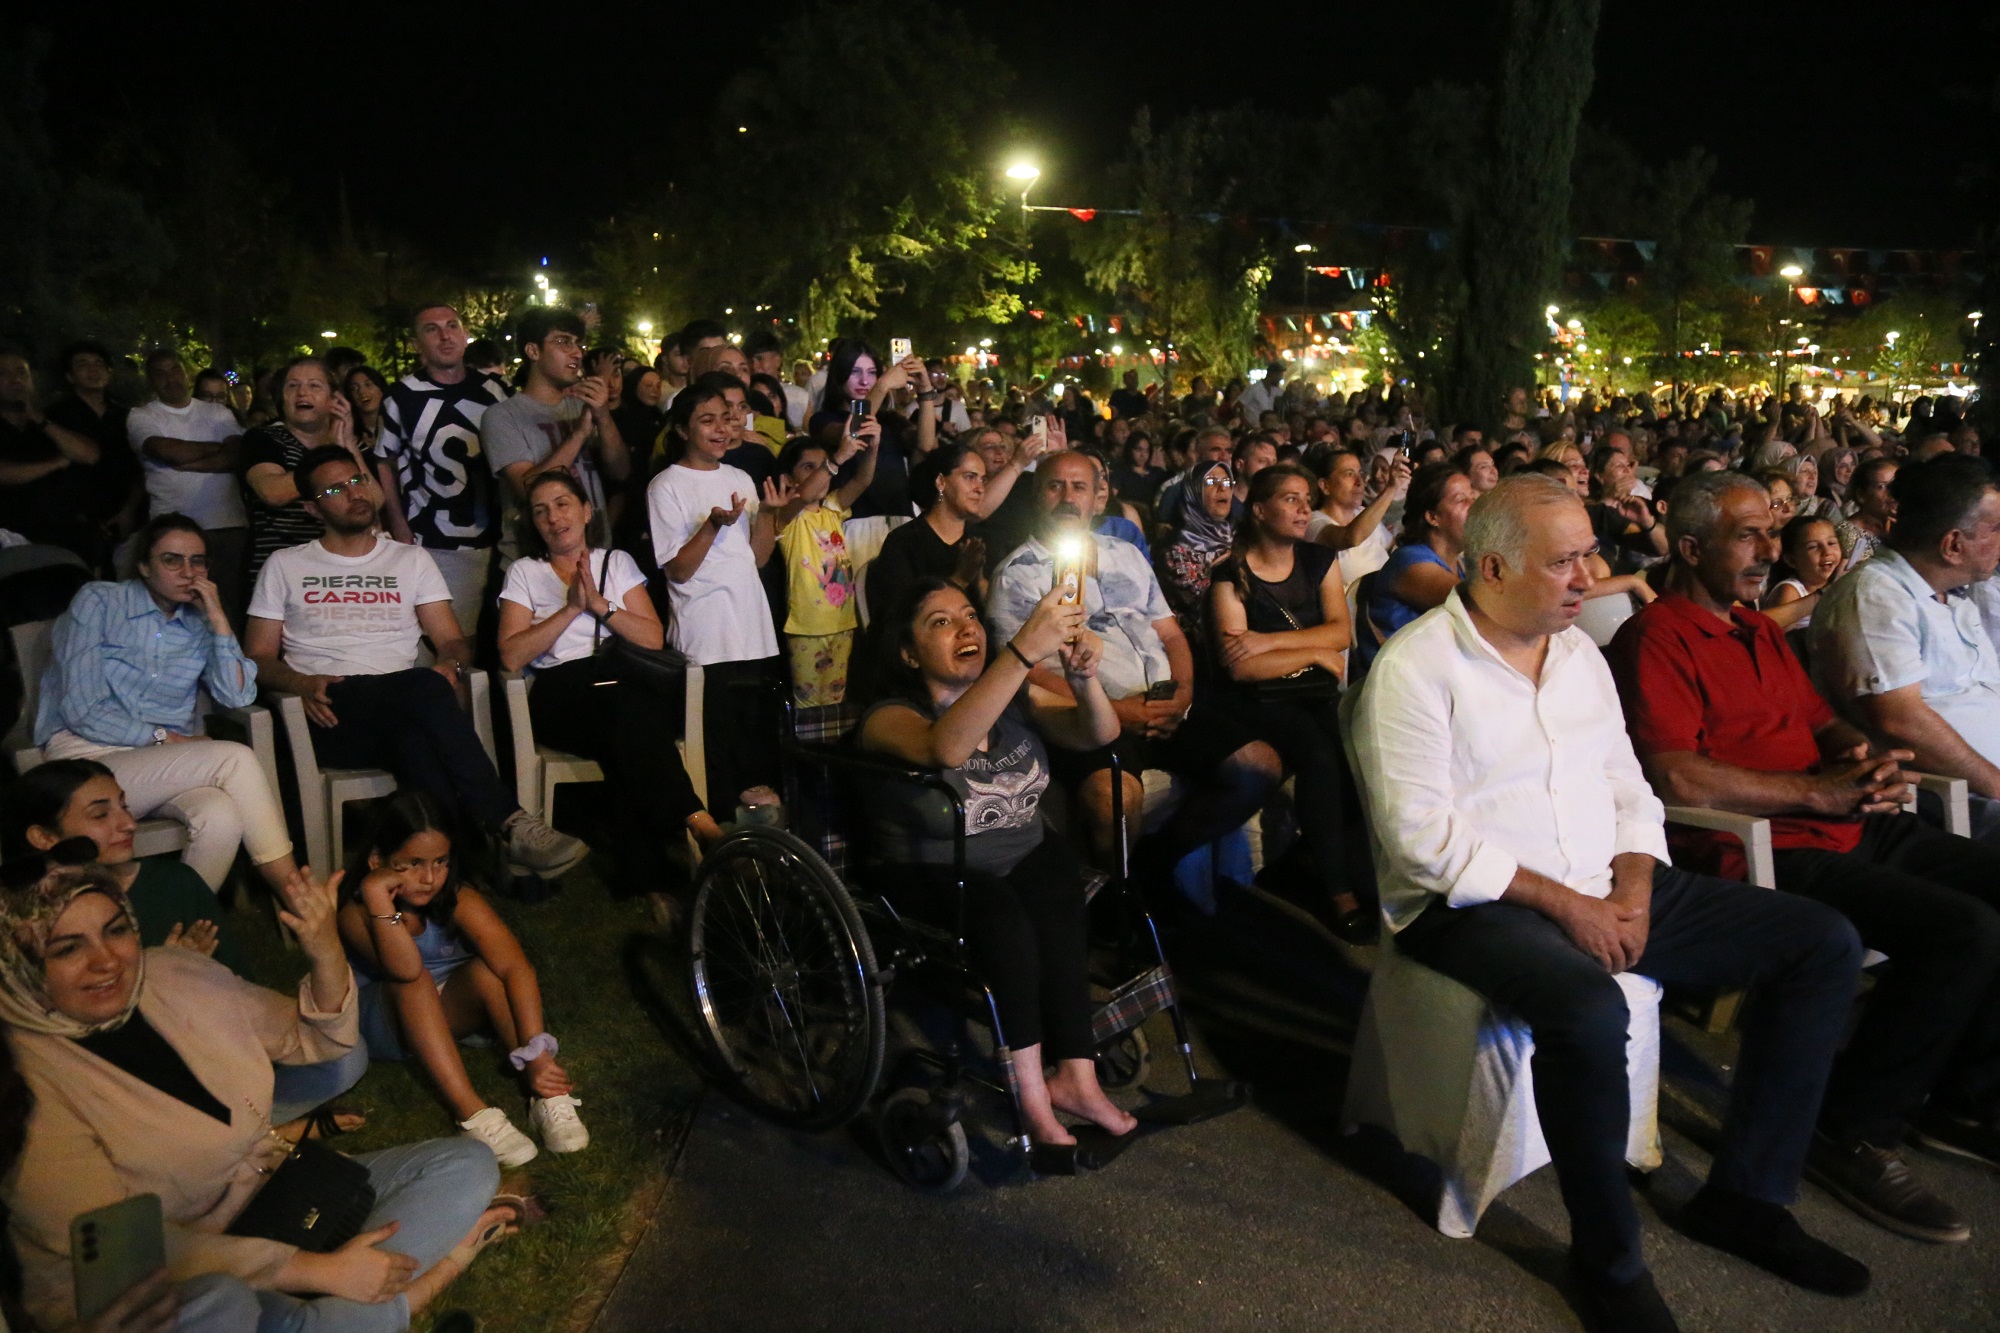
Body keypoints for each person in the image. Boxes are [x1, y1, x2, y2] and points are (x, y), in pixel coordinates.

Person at [1353, 473, 1868, 1332]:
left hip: (1605, 877)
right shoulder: (1418, 668)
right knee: (1589, 1011)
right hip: (1476, 901)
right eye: (1564, 561)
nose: (1589, 576)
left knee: (1822, 943)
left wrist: (1632, 884)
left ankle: (1746, 1196)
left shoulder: (1580, 654)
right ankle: (1609, 1260)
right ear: (1491, 567)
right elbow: (1421, 841)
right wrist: (1570, 906)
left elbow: (1629, 786)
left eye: (1590, 551)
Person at [1607, 468, 2000, 1246]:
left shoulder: (1756, 629)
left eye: (1769, 533)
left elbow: (1822, 722)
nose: (1767, 549)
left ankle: (1962, 1096)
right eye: (1746, 535)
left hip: (1846, 821)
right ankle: (1851, 1127)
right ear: (1689, 547)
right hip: (1764, 846)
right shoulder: (1657, 637)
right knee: (1964, 930)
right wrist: (1818, 794)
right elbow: (1675, 772)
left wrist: (1859, 754)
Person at [2, 854, 515, 1333]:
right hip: (152, 1279)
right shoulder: (18, 1079)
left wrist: (324, 952)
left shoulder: (171, 973)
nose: (107, 961)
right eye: (66, 948)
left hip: (275, 1200)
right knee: (227, 1304)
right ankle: (424, 1282)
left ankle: (344, 1303)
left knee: (466, 1163)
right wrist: (315, 1271)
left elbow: (319, 1040)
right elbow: (126, 1250)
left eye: (115, 930)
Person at [860, 576, 1135, 1148]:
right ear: (908, 652)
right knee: (1004, 921)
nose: (966, 628)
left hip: (1021, 852)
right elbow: (946, 748)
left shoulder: (1015, 698)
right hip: (928, 871)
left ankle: (1076, 1079)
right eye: (940, 622)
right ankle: (1032, 1097)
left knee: (1060, 895)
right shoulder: (887, 717)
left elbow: (1099, 732)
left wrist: (1082, 680)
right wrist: (1021, 653)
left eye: (969, 615)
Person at [246, 445, 587, 881]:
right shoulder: (286, 565)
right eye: (335, 489)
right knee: (424, 690)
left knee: (418, 743)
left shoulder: (410, 559)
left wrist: (449, 663)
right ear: (313, 509)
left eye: (356, 481)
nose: (353, 494)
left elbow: (451, 641)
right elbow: (256, 658)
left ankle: (461, 875)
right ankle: (509, 822)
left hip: (404, 707)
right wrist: (299, 681)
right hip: (329, 710)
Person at [987, 451, 1277, 870]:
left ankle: (1155, 868)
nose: (1068, 497)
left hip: (1165, 701)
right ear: (1037, 496)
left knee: (1260, 767)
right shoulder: (1016, 574)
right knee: (1113, 801)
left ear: (1097, 499)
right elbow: (1021, 669)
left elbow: (1170, 633)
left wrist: (1183, 697)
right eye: (1055, 486)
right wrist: (1120, 712)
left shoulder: (1126, 554)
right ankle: (1118, 905)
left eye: (1079, 486)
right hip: (1086, 715)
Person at [34, 514, 301, 896]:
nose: (188, 572)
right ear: (144, 566)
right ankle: (296, 895)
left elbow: (237, 695)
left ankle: (177, 930)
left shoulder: (200, 618)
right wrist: (166, 740)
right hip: (87, 755)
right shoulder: (100, 601)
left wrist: (219, 620)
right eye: (172, 560)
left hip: (164, 764)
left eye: (198, 561)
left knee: (219, 816)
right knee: (235, 759)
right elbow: (82, 709)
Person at [498, 471, 718, 912]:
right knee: (630, 715)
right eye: (541, 510)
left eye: (562, 504)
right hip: (562, 692)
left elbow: (653, 638)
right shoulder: (525, 572)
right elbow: (510, 655)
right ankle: (700, 823)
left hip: (621, 689)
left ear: (585, 510)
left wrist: (601, 606)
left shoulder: (616, 563)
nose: (553, 517)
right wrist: (571, 609)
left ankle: (647, 882)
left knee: (625, 729)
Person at [338, 792, 587, 1168]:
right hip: (386, 1021)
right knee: (415, 980)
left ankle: (545, 1093)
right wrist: (378, 897)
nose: (430, 877)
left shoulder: (456, 896)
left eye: (440, 861)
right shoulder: (356, 912)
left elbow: (516, 967)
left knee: (489, 972)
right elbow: (405, 971)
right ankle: (472, 1115)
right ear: (379, 861)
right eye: (413, 864)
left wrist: (537, 1050)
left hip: (443, 1009)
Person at [1208, 464, 1368, 937]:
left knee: (1354, 746)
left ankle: (1342, 861)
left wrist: (1269, 642)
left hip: (1312, 691)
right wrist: (1314, 651)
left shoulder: (1319, 561)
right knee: (1316, 753)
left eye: (1305, 499)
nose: (1304, 510)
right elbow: (1239, 665)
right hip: (1257, 700)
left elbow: (1341, 633)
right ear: (1259, 510)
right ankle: (1338, 891)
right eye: (1290, 500)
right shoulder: (1229, 574)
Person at [1811, 454, 2000, 839]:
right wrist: (1997, 784)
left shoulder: (1955, 596)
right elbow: (1901, 722)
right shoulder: (1874, 595)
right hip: (1949, 800)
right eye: (1996, 528)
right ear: (1953, 545)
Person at [648, 381, 793, 812]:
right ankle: (720, 828)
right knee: (716, 738)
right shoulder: (666, 486)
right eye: (706, 420)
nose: (719, 429)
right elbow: (677, 568)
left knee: (753, 733)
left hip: (750, 624)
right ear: (681, 429)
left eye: (724, 419)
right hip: (705, 632)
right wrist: (711, 525)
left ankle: (760, 831)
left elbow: (757, 558)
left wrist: (767, 514)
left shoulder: (741, 478)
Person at [3, 760, 240, 972]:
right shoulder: (24, 917)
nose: (128, 824)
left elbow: (240, 988)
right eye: (100, 815)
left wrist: (202, 975)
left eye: (124, 807)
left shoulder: (174, 884)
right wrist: (160, 976)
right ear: (43, 837)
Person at [372, 303, 510, 639]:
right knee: (449, 640)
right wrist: (399, 525)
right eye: (431, 329)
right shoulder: (400, 397)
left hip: (497, 537)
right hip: (432, 539)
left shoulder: (495, 392)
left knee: (492, 638)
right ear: (416, 343)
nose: (445, 335)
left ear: (465, 335)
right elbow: (384, 462)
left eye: (452, 326)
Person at [481, 307, 631, 571]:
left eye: (578, 344)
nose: (577, 353)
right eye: (563, 342)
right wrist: (580, 434)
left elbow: (620, 472)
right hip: (535, 563)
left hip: (595, 556)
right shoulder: (502, 416)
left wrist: (604, 417)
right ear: (533, 351)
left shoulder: (580, 405)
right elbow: (528, 489)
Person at [126, 350, 248, 620]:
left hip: (226, 525)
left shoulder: (217, 412)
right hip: (173, 529)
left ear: (187, 373)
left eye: (175, 369)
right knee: (177, 609)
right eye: (161, 372)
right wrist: (217, 449)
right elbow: (167, 451)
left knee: (231, 608)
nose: (171, 378)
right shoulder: (142, 416)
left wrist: (192, 462)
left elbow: (237, 455)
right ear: (150, 380)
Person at [241, 356, 374, 585]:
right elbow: (272, 492)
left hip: (341, 573)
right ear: (282, 397)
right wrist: (329, 450)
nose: (302, 393)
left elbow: (374, 501)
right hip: (278, 573)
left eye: (314, 385)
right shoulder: (262, 439)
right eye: (293, 386)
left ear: (335, 399)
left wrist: (349, 447)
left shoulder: (353, 445)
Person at [774, 430, 878, 706]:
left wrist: (872, 449)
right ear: (787, 479)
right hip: (807, 627)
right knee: (808, 701)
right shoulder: (788, 516)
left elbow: (862, 479)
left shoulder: (832, 508)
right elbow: (804, 494)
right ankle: (805, 750)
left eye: (823, 468)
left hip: (843, 622)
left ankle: (828, 748)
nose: (821, 473)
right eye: (809, 467)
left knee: (835, 698)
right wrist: (837, 459)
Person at [1350, 464, 1472, 681]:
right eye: (1461, 500)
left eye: (1473, 497)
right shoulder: (1409, 563)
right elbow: (1478, 606)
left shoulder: (1460, 565)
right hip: (1398, 689)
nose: (1474, 507)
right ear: (1432, 516)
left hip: (1433, 680)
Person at [0, 347, 106, 569]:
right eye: (3, 373)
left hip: (67, 540)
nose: (15, 379)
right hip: (11, 543)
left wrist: (40, 420)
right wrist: (56, 463)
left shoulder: (50, 421)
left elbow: (89, 455)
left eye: (21, 372)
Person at [808, 339, 936, 520]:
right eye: (855, 372)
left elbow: (926, 445)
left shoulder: (891, 421)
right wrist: (882, 385)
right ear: (839, 375)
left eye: (872, 373)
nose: (864, 381)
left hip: (897, 521)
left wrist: (925, 390)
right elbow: (855, 430)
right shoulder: (823, 420)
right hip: (852, 522)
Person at [866, 442, 990, 629]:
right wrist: (960, 579)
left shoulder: (977, 542)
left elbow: (989, 613)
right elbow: (899, 618)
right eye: (970, 477)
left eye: (983, 480)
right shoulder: (904, 542)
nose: (980, 488)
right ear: (941, 481)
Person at [44, 341, 145, 557]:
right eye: (83, 364)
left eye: (99, 364)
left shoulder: (127, 416)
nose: (93, 369)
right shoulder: (55, 417)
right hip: (74, 523)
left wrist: (129, 511)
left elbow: (138, 468)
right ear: (70, 376)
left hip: (126, 518)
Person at [1155, 456, 1234, 654]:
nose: (1222, 488)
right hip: (1197, 647)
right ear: (1193, 491)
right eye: (1211, 482)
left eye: (1226, 482)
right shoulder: (1175, 548)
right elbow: (1200, 598)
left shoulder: (1239, 538)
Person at [1307, 446, 1406, 585]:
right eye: (1349, 474)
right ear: (1325, 486)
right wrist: (1391, 487)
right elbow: (1351, 537)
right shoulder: (1314, 523)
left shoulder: (1361, 512)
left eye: (1360, 473)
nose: (1360, 481)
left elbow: (1392, 547)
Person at [1760, 513, 1843, 631]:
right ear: (1791, 560)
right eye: (1813, 547)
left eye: (1831, 543)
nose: (1827, 551)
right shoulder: (1791, 590)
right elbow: (1776, 635)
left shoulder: (1842, 585)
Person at [1837, 456, 1897, 571]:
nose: (1892, 492)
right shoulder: (1848, 534)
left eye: (1896, 484)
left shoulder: (1901, 524)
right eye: (1882, 487)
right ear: (1861, 495)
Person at [344, 365, 391, 457]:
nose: (361, 391)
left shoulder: (398, 425)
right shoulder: (349, 433)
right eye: (355, 388)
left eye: (368, 385)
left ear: (381, 388)